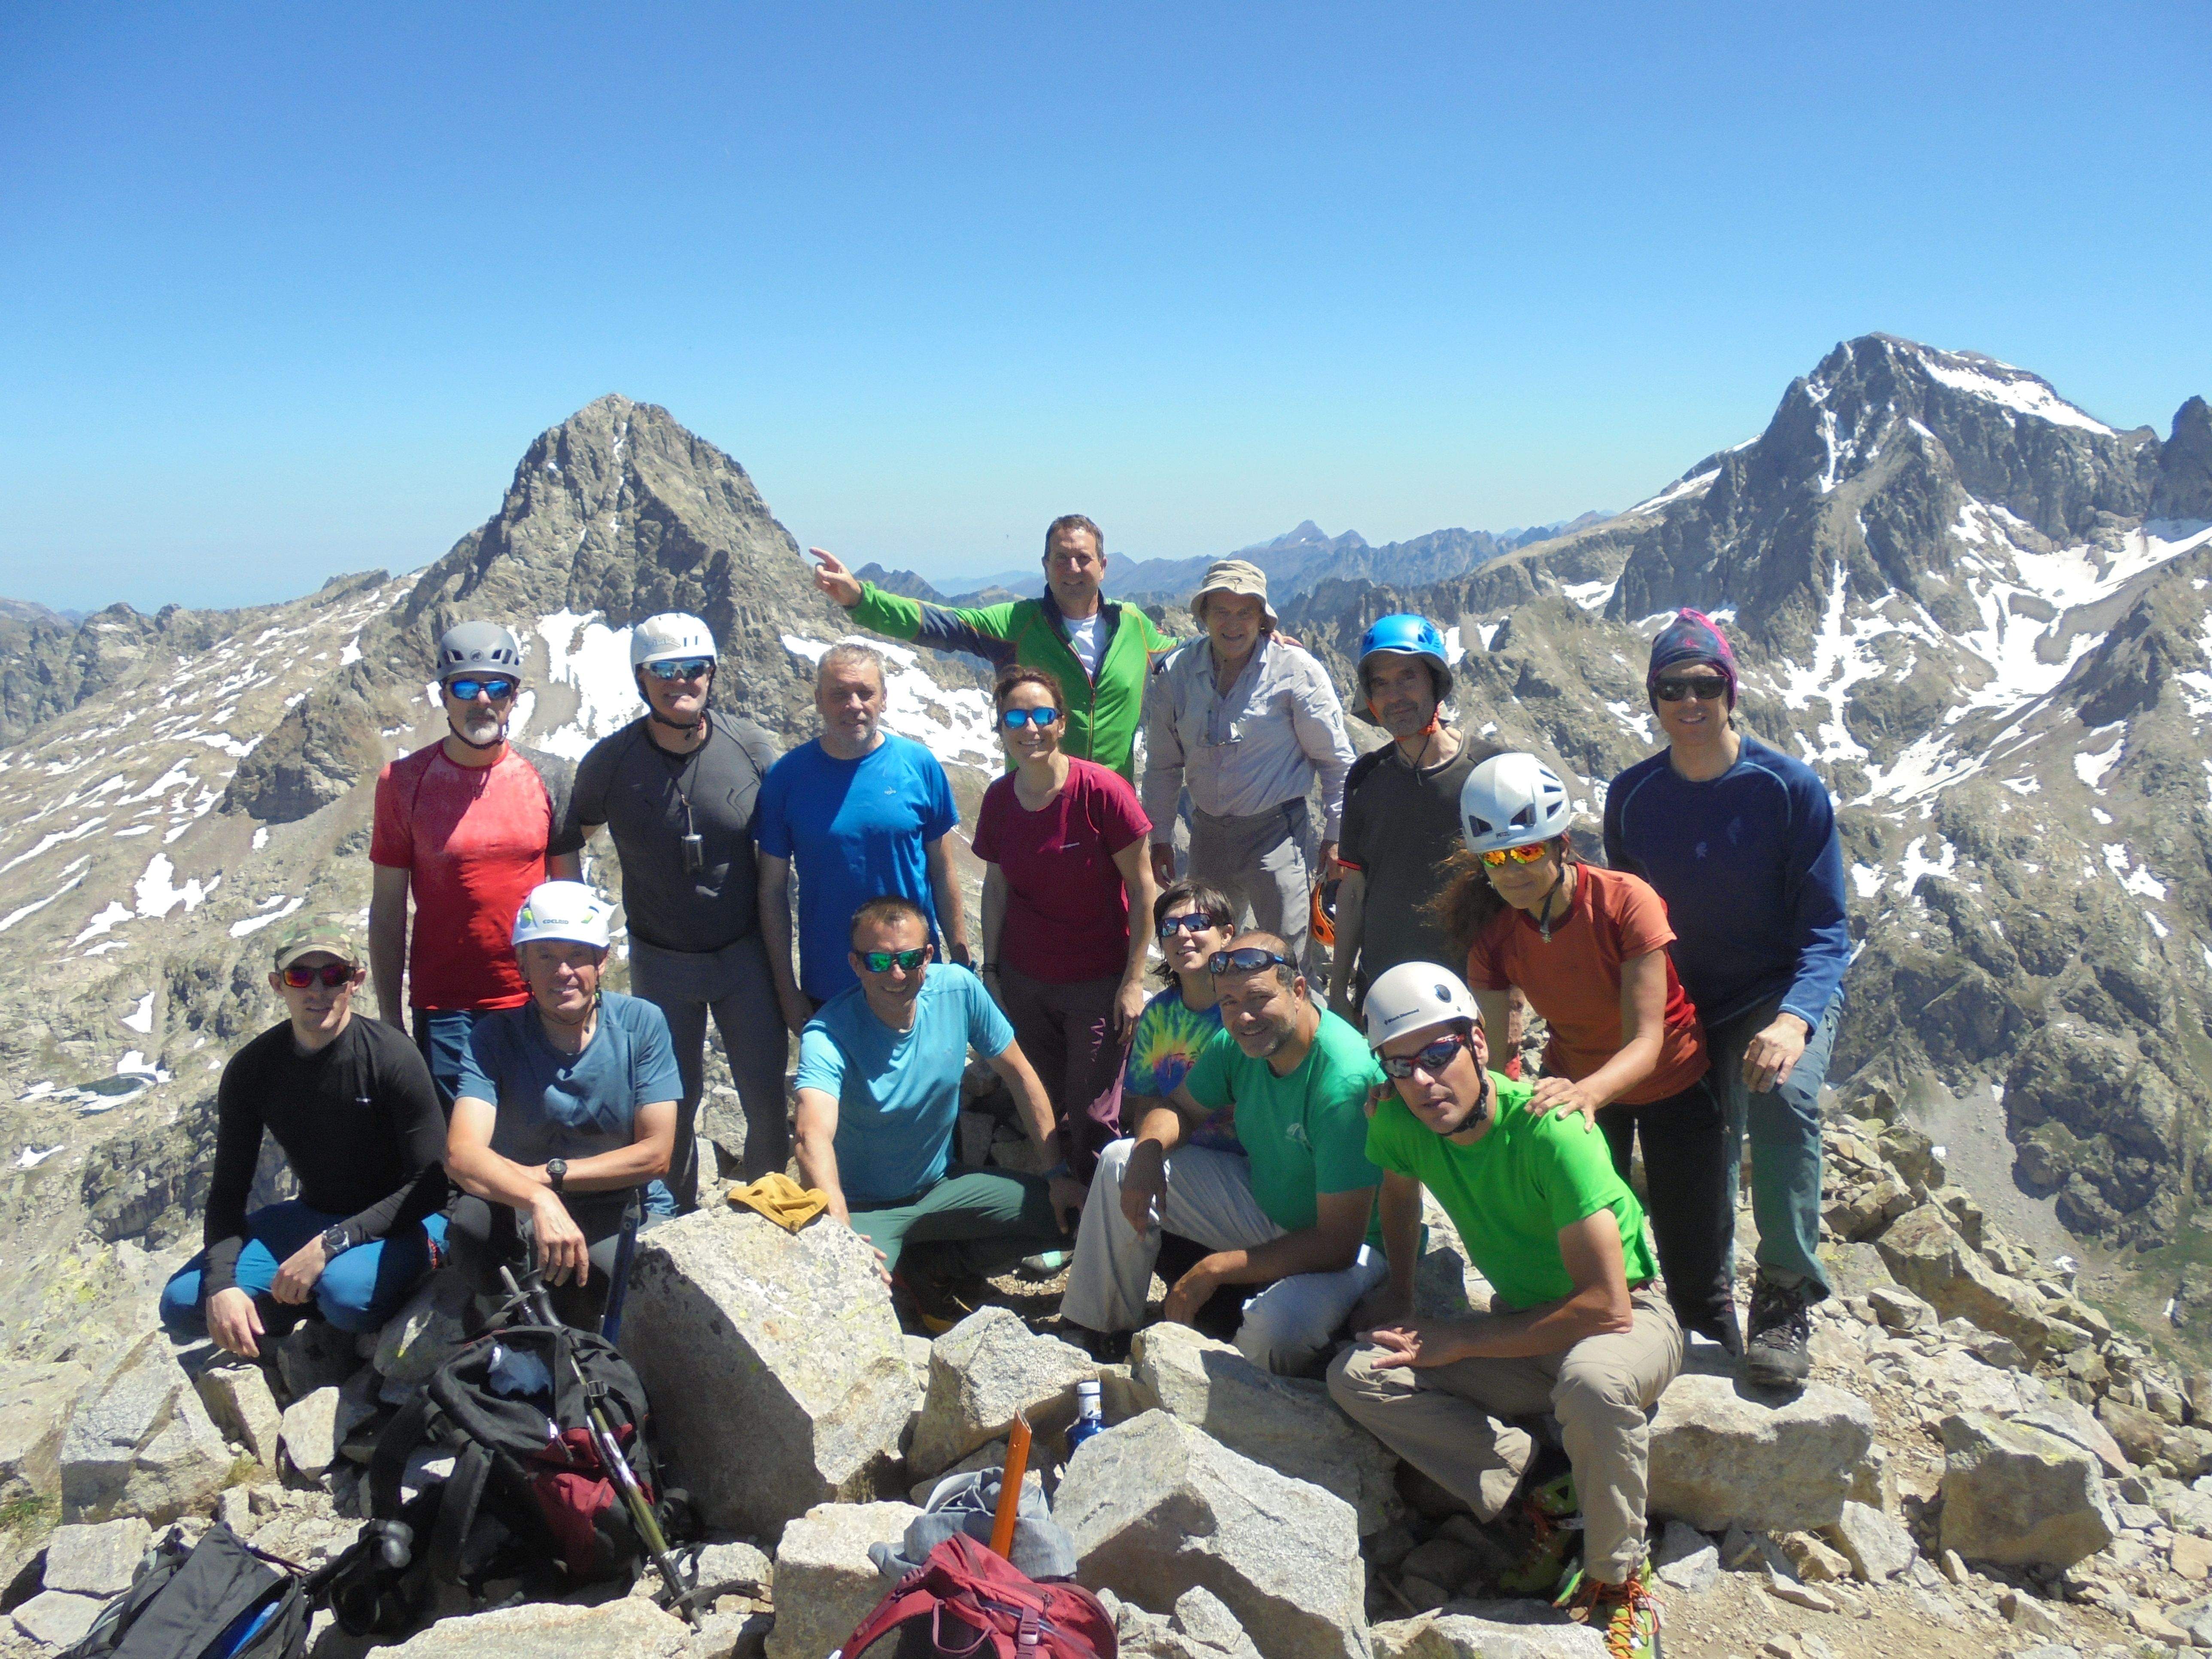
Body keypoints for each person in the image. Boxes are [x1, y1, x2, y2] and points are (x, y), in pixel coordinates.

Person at [1329, 964, 1678, 1659]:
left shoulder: (1551, 1132)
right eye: (1400, 1064)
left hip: (1629, 1317)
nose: (1423, 1079)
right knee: (1359, 1374)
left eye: (1438, 1054)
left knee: (1592, 1381)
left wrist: (1462, 1339)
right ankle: (1547, 1487)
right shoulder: (1400, 1119)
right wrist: (1401, 1291)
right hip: (1527, 1324)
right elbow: (1397, 1193)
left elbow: (1605, 1306)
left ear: (1478, 1044)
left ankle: (1621, 1581)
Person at [1603, 610, 1850, 1388]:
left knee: (1782, 1096)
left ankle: (1783, 1294)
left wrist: (1794, 1019)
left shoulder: (1787, 789)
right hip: (1682, 998)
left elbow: (1827, 930)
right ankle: (1697, 1302)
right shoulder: (1632, 797)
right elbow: (1628, 919)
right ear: (1653, 698)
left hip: (1776, 992)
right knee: (1687, 1138)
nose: (1690, 701)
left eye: (1706, 685)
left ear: (1730, 691)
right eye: (1671, 688)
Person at [1434, 754, 1737, 1353]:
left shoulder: (1626, 900)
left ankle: (1717, 1349)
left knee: (1692, 1248)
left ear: (1561, 845)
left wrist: (1586, 1094)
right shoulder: (1493, 935)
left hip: (1670, 1080)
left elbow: (1647, 1040)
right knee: (1587, 1232)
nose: (1512, 871)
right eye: (1496, 858)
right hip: (1578, 1082)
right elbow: (1493, 1053)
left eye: (1526, 851)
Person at [1061, 930, 1386, 1374]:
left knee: (1273, 1332)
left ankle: (1237, 1391)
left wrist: (1216, 1269)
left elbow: (1338, 1243)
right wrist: (1149, 1150)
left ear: (1297, 991)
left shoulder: (1342, 1082)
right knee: (1122, 1160)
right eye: (1229, 1002)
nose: (1243, 1017)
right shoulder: (1239, 1044)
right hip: (1269, 1207)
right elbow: (1180, 1109)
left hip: (1354, 1247)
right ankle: (1100, 1333)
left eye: (1258, 998)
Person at [568, 612, 787, 1206]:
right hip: (660, 961)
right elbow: (568, 839)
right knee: (669, 1105)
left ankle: (769, 1221)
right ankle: (676, 1228)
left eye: (693, 668)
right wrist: (576, 937)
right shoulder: (612, 762)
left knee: (765, 1099)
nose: (680, 681)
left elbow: (788, 842)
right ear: (641, 679)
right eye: (663, 670)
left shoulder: (750, 748)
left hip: (745, 956)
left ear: (712, 673)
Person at [159, 918, 450, 1355]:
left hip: (409, 1219)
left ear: (355, 982)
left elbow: (432, 1183)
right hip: (314, 1213)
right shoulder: (254, 1068)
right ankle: (299, 1300)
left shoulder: (391, 1056)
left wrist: (331, 1245)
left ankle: (341, 1289)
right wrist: (221, 1287)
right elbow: (228, 1191)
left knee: (347, 1298)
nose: (318, 991)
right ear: (278, 985)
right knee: (183, 1302)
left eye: (333, 975)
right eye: (300, 977)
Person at [791, 897, 1071, 1309]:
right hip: (863, 1208)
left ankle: (937, 1264)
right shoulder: (828, 1035)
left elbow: (1020, 1075)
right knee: (850, 1298)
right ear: (856, 965)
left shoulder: (958, 990)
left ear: (927, 955)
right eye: (879, 962)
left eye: (908, 959)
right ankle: (908, 1270)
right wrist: (841, 1233)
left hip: (941, 1186)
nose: (897, 974)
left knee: (1072, 1216)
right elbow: (810, 1134)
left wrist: (1057, 1174)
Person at [443, 881, 679, 1328]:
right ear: (523, 964)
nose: (563, 971)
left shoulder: (642, 1025)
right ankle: (510, 1323)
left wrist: (548, 1177)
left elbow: (656, 1154)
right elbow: (461, 1154)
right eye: (546, 956)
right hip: (524, 1204)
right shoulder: (494, 1037)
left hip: (620, 1204)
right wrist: (538, 1198)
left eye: (577, 955)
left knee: (617, 1281)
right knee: (472, 1231)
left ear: (601, 960)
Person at [371, 621, 582, 1105]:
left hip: (537, 999)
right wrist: (390, 1019)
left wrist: (578, 999)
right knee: (461, 1144)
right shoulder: (402, 782)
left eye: (497, 688)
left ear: (514, 697)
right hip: (445, 1009)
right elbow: (387, 908)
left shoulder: (551, 776)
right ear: (443, 696)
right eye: (466, 688)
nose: (482, 701)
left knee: (537, 1135)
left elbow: (571, 899)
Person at [806, 516, 1172, 782]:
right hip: (1038, 804)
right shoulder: (1017, 623)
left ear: (1103, 567)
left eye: (1083, 558)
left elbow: (1186, 658)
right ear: (1046, 567)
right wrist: (861, 599)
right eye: (1061, 558)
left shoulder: (1134, 625)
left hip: (1114, 811)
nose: (1072, 568)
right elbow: (942, 624)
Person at [972, 665, 1157, 1190]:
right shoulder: (999, 799)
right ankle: (1058, 1204)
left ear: (1061, 723)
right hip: (1025, 980)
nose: (1029, 728)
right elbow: (996, 888)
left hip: (1096, 981)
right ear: (1001, 727)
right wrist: (992, 971)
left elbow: (1143, 888)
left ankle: (1103, 1216)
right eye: (1015, 717)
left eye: (1041, 715)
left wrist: (1133, 981)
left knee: (1095, 1113)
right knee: (1045, 1102)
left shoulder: (1102, 791)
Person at [1140, 561, 1354, 966]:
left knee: (1286, 954)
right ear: (1204, 615)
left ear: (1262, 618)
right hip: (1207, 834)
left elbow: (1336, 762)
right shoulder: (1178, 673)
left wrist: (1336, 835)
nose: (1233, 624)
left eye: (1245, 612)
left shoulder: (1295, 670)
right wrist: (1161, 836)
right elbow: (1163, 766)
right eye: (1221, 611)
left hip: (1277, 834)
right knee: (1207, 952)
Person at [755, 644, 969, 1029]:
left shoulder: (919, 765)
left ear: (883, 698)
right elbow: (771, 891)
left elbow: (943, 870)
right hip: (831, 984)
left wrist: (961, 961)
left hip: (916, 976)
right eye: (839, 694)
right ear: (819, 700)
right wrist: (786, 989)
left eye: (865, 693)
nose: (853, 705)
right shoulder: (786, 779)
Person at [1327, 614, 1502, 1019]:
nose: (1395, 696)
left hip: (1473, 994)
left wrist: (1510, 997)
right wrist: (1338, 991)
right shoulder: (1366, 778)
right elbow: (1353, 892)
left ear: (1434, 683)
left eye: (1408, 677)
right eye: (1381, 684)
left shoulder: (1489, 771)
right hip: (1384, 993)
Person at [1119, 879, 1240, 1159]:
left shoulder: (1244, 1011)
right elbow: (1145, 1102)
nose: (1182, 934)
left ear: (1226, 935)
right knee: (1118, 1158)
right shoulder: (1157, 1015)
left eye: (1197, 923)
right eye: (1169, 927)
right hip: (1178, 1152)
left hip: (1245, 1160)